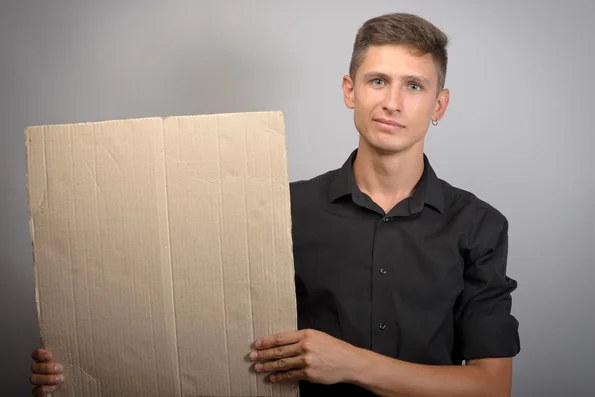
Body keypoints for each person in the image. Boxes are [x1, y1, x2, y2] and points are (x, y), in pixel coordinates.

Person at [30, 12, 520, 397]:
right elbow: (193, 321)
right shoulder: (277, 208)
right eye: (377, 81)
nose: (392, 102)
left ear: (439, 105)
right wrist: (80, 365)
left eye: (414, 86)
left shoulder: (478, 226)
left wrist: (351, 365)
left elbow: (490, 386)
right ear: (350, 91)